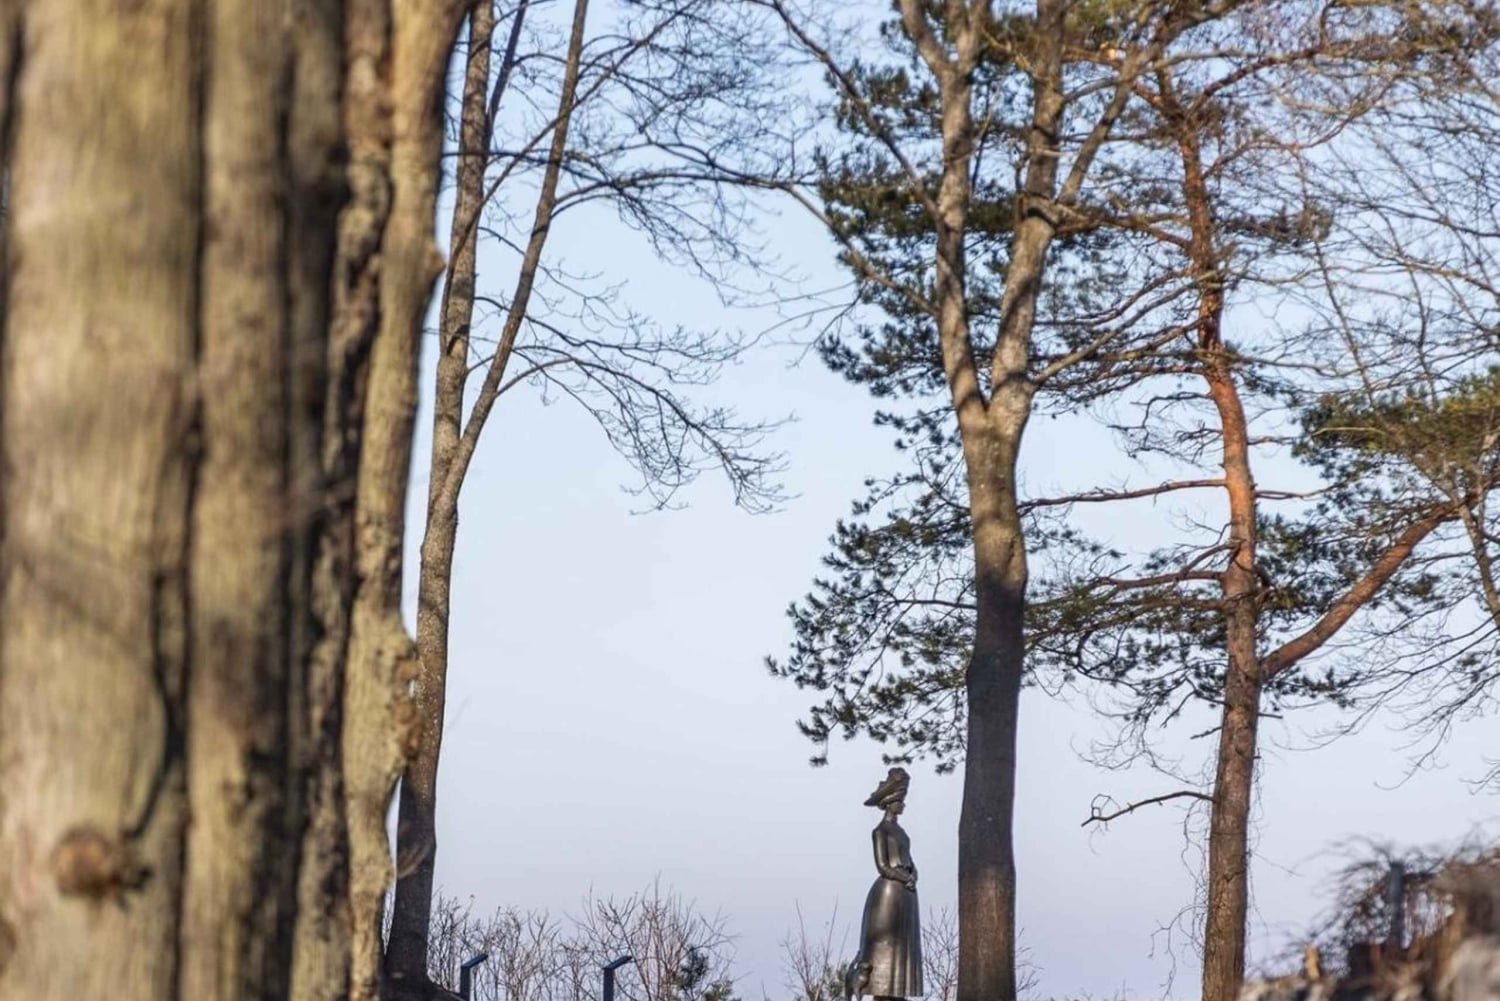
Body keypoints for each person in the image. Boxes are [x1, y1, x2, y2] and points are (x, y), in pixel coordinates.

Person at [847, 767, 923, 1000]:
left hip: (906, 895)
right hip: (888, 895)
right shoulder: (880, 831)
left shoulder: (901, 832)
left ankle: (899, 993)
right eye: (900, 800)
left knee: (903, 948)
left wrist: (913, 875)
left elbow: (909, 860)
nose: (903, 805)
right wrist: (904, 878)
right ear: (891, 802)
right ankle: (879, 991)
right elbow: (883, 866)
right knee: (883, 947)